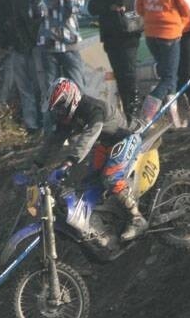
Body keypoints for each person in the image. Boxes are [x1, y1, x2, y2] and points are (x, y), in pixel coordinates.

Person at [34, 77, 147, 241]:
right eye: (56, 108)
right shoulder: (68, 116)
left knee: (111, 177)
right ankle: (109, 219)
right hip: (108, 144)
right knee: (90, 182)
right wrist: (37, 163)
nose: (58, 111)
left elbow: (90, 135)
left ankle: (137, 218)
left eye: (60, 106)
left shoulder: (92, 108)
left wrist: (70, 161)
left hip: (127, 138)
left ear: (70, 98)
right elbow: (55, 139)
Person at [135, 0, 190, 122]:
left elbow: (138, 7)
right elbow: (189, 8)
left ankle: (174, 117)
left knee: (167, 75)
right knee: (169, 79)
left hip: (151, 34)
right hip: (170, 33)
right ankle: (148, 112)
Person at [30, 0, 87, 133]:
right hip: (48, 45)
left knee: (77, 85)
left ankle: (82, 124)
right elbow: (34, 14)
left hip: (69, 43)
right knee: (51, 90)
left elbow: (76, 7)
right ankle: (54, 130)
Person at [87, 0, 142, 123]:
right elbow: (92, 7)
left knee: (129, 75)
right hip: (111, 37)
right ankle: (127, 114)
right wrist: (109, 7)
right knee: (119, 75)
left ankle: (134, 113)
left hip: (128, 35)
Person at [0, 0, 42, 134]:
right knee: (25, 89)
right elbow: (1, 20)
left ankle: (48, 125)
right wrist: (5, 42)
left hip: (40, 45)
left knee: (43, 88)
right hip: (18, 46)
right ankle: (32, 126)